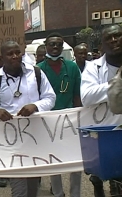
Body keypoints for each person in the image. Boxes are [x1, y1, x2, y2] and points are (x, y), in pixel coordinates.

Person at [0, 41, 56, 197]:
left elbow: (50, 98)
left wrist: (35, 106)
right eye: (9, 54)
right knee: (19, 187)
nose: (15, 56)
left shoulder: (36, 73)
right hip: (12, 141)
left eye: (17, 52)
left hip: (35, 138)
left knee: (33, 186)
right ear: (1, 58)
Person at [37, 32, 83, 197]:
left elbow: (77, 95)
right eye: (52, 44)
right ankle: (58, 193)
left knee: (75, 158)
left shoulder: (71, 67)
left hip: (70, 118)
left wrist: (80, 117)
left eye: (58, 44)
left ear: (62, 47)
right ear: (46, 46)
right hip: (48, 121)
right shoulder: (38, 69)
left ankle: (75, 193)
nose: (55, 47)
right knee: (53, 159)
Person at [81, 24, 122, 197]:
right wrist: (117, 84)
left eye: (118, 35)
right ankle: (97, 184)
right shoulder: (93, 67)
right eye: (108, 38)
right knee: (111, 177)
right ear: (101, 46)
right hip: (108, 135)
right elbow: (87, 97)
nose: (114, 40)